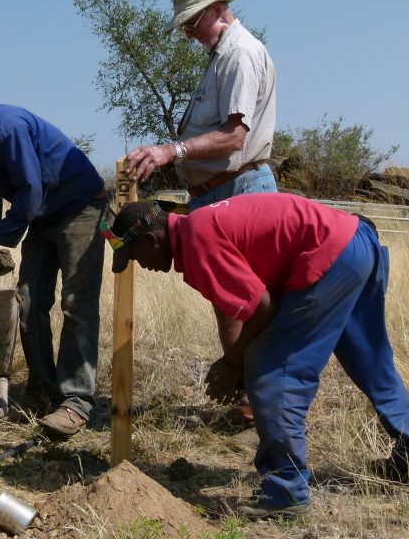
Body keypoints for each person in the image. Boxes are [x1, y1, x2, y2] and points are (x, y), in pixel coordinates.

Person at [100, 194, 409, 519]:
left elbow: (262, 308)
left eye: (135, 257)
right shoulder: (198, 226)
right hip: (356, 243)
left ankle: (286, 490)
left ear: (151, 240)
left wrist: (233, 362)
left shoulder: (196, 241)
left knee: (273, 371)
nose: (141, 266)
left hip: (331, 255)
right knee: (368, 359)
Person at [125, 0, 278, 429]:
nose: (188, 33)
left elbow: (235, 136)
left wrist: (173, 151)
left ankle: (259, 402)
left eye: (192, 22)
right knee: (228, 298)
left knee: (252, 300)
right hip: (217, 191)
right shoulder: (220, 56)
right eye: (185, 25)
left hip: (240, 188)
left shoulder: (239, 54)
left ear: (217, 9)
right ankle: (243, 397)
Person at [0, 79, 108, 438]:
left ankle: (76, 402)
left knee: (76, 304)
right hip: (43, 214)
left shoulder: (8, 127)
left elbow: (28, 192)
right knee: (28, 304)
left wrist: (1, 241)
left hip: (80, 208)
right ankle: (43, 391)